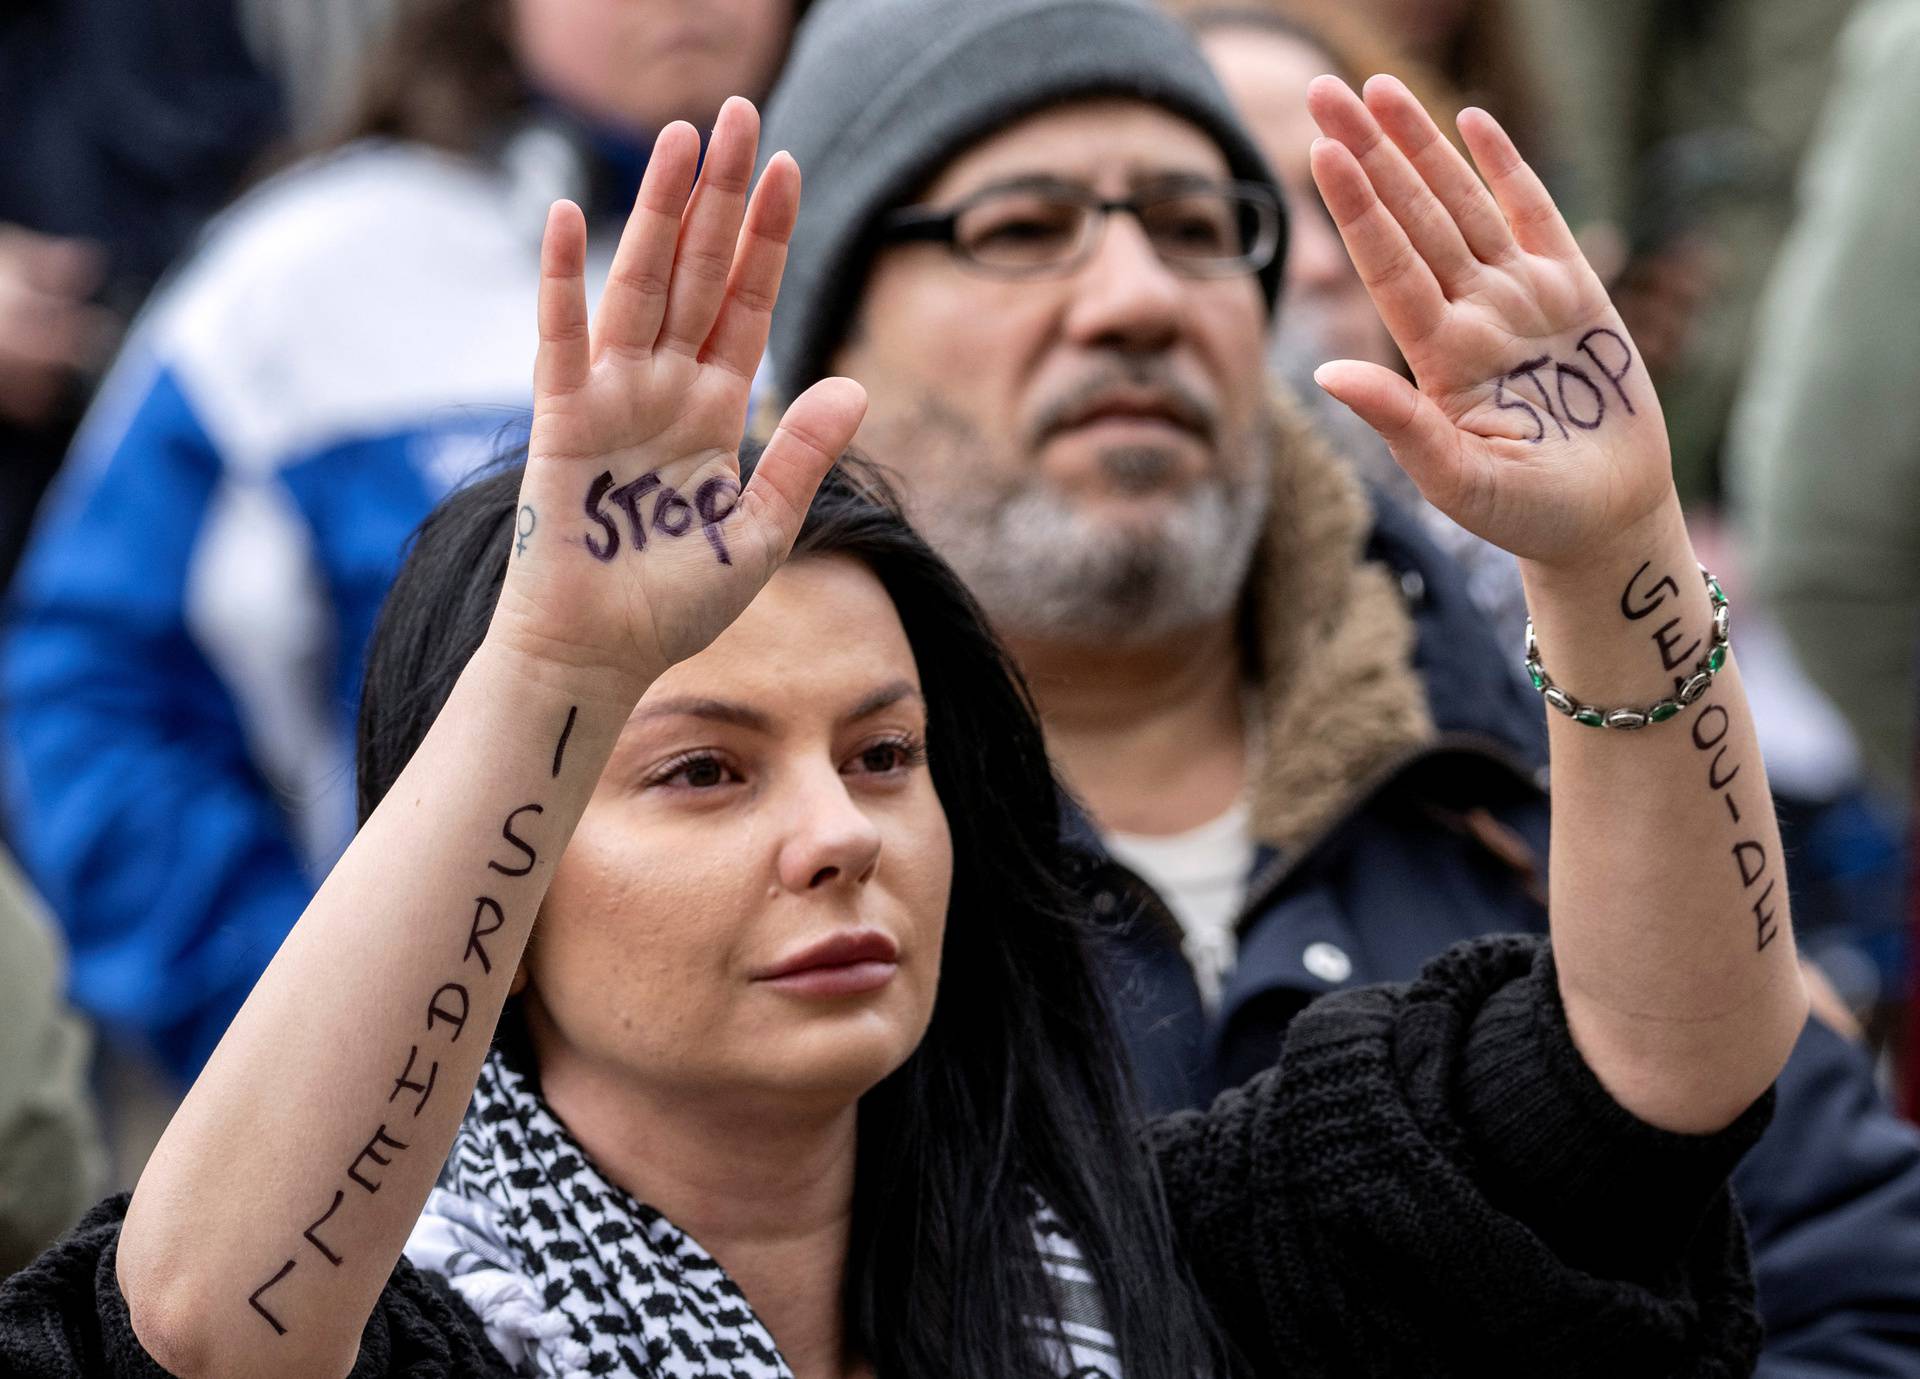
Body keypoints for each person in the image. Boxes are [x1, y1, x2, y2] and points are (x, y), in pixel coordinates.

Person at [0, 87, 1807, 1379]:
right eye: (703, 767)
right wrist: (554, 657)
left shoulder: (1189, 1251)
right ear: (502, 870)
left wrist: (1614, 555)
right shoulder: (411, 1321)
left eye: (884, 755)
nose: (838, 830)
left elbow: (1657, 1075)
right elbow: (205, 1321)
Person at [752, 0, 1920, 1369]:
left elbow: (1861, 1286)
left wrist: (1619, 564)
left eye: (1198, 229)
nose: (1139, 299)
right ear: (829, 332)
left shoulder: (1532, 740)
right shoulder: (744, 851)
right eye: (1020, 228)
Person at [1, 0, 806, 1084]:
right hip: (418, 1140)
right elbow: (89, 689)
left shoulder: (919, 243)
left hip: (826, 1101)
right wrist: (303, 1028)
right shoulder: (302, 273)